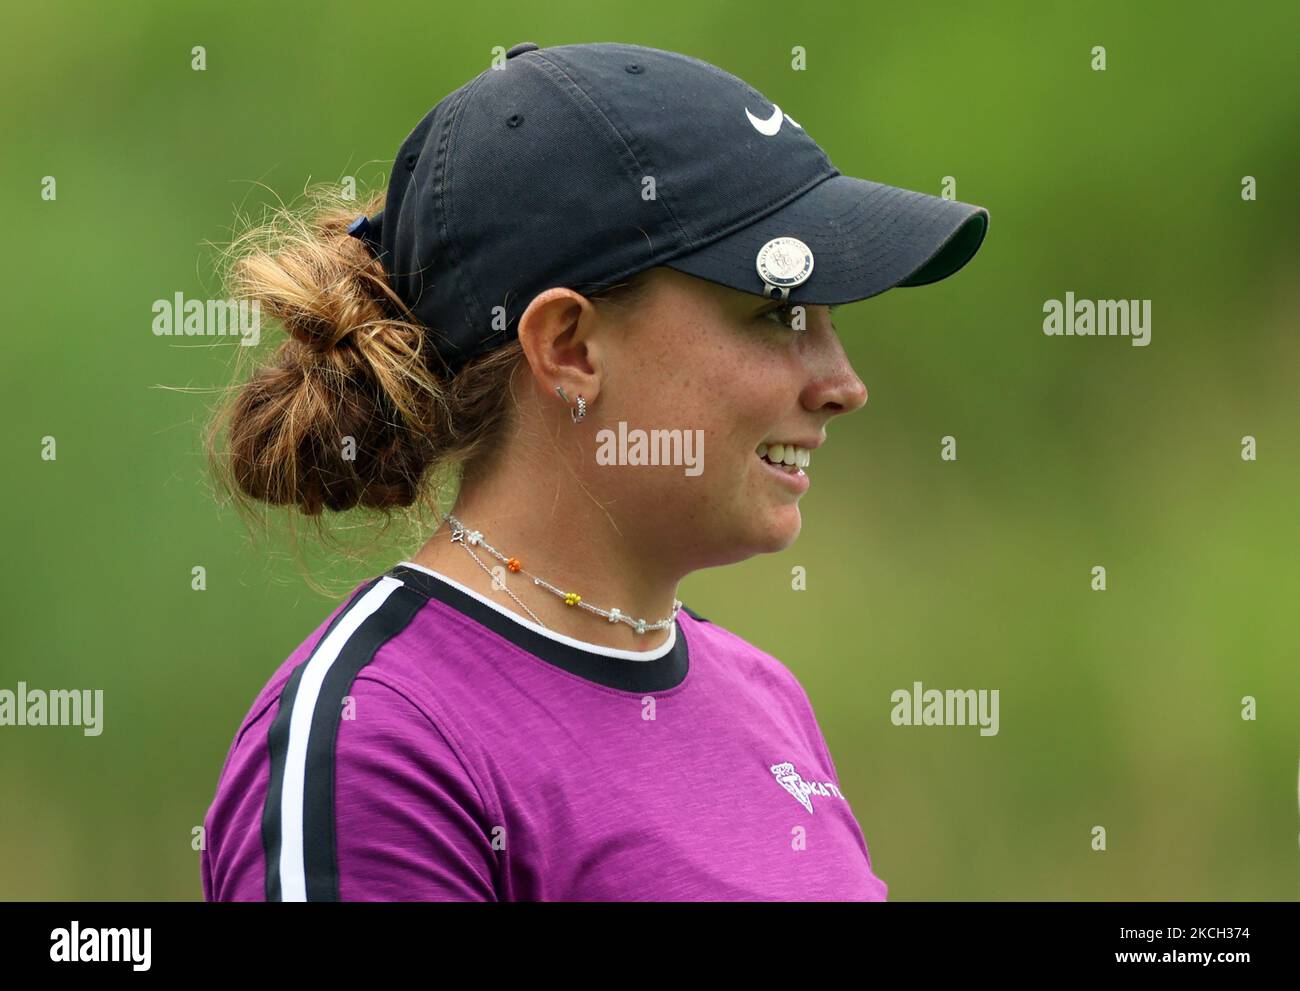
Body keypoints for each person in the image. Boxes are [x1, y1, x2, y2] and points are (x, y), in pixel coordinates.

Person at [200, 41, 990, 901]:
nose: (843, 384)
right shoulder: (380, 738)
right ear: (569, 348)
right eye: (777, 314)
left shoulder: (764, 694)